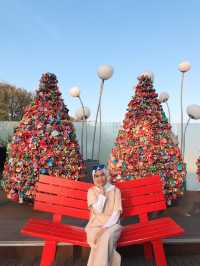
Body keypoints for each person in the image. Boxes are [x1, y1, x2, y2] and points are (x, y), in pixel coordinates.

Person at [85, 164, 123, 266]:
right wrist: (102, 194)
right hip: (95, 226)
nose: (99, 178)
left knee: (104, 237)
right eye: (96, 176)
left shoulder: (115, 191)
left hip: (112, 225)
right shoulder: (91, 191)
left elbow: (116, 214)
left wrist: (104, 228)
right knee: (99, 240)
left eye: (102, 175)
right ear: (93, 177)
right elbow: (98, 210)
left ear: (106, 175)